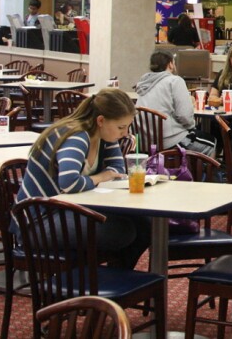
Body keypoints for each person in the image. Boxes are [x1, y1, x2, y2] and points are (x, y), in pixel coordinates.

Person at [17, 88, 151, 270]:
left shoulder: (104, 135)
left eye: (127, 127)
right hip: (38, 221)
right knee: (123, 231)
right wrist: (101, 176)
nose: (126, 133)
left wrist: (101, 176)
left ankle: (116, 277)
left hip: (68, 210)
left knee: (145, 224)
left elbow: (118, 170)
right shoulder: (76, 136)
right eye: (121, 127)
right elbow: (69, 183)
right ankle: (102, 280)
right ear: (101, 120)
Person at [135, 51, 215, 156]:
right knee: (211, 142)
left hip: (144, 144)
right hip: (169, 142)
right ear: (171, 64)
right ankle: (201, 172)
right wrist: (192, 127)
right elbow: (184, 115)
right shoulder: (174, 81)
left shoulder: (143, 83)